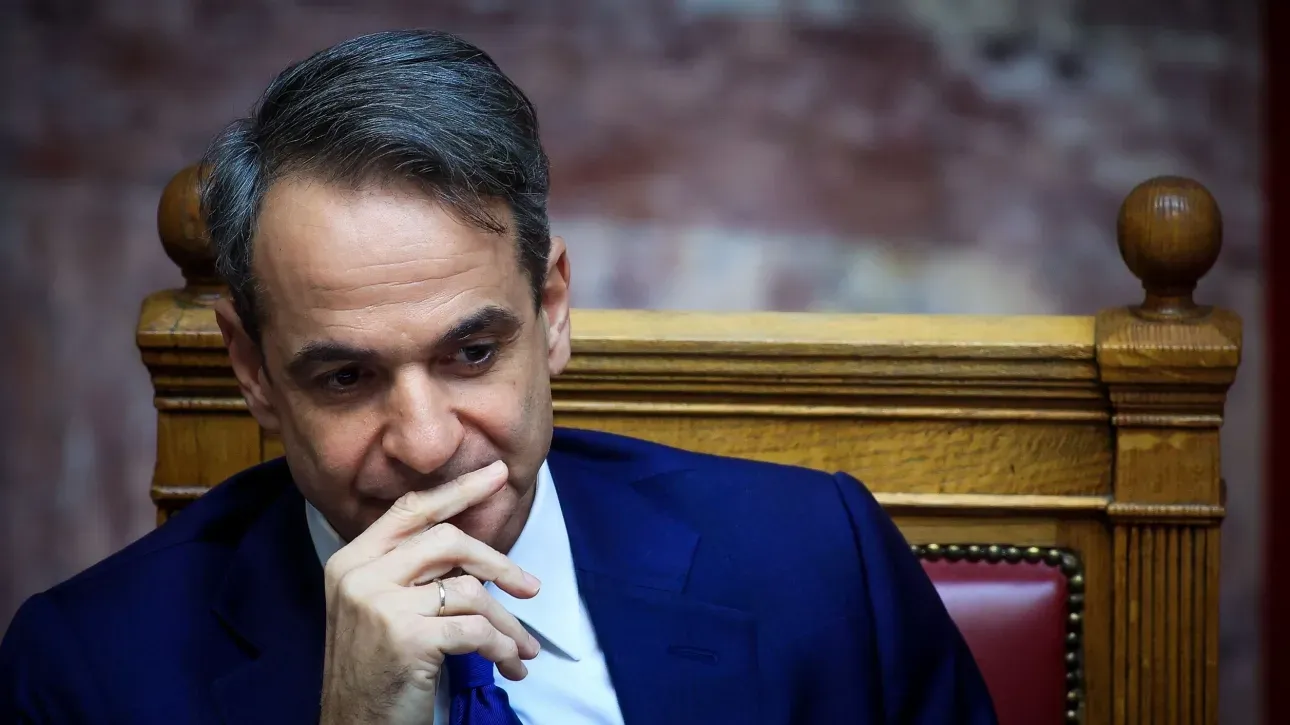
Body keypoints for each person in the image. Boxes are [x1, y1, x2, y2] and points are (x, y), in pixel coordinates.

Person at [0, 29, 996, 725]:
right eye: (345, 376)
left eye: (472, 353)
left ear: (551, 309)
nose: (427, 441)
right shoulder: (86, 672)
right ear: (253, 369)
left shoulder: (820, 561)